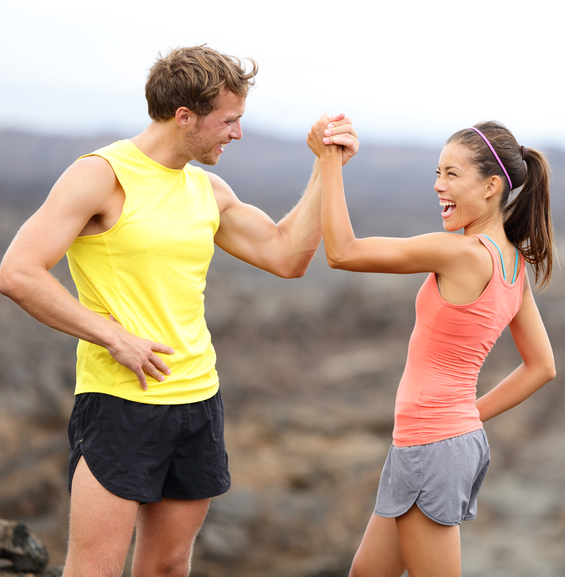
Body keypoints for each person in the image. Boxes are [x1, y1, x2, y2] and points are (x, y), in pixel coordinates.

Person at [0, 46, 358, 577]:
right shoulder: (102, 175)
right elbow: (18, 271)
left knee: (168, 566)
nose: (236, 134)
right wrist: (113, 337)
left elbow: (286, 255)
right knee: (94, 569)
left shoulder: (207, 189)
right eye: (228, 121)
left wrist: (325, 167)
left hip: (198, 401)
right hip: (121, 401)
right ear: (184, 116)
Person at [307, 117, 556, 577]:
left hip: (433, 446)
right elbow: (541, 367)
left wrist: (329, 164)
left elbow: (342, 251)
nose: (439, 186)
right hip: (436, 440)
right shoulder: (513, 267)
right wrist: (465, 417)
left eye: (452, 174)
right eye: (437, 173)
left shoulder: (460, 253)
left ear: (491, 187)